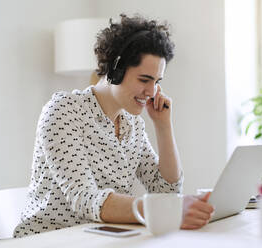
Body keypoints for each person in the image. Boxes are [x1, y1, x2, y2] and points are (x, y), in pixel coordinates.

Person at [14, 14, 214, 238]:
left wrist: (163, 127)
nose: (152, 92)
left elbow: (166, 192)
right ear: (115, 70)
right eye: (144, 80)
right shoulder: (64, 110)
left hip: (99, 238)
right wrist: (163, 210)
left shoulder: (133, 124)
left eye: (157, 82)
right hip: (49, 239)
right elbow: (85, 198)